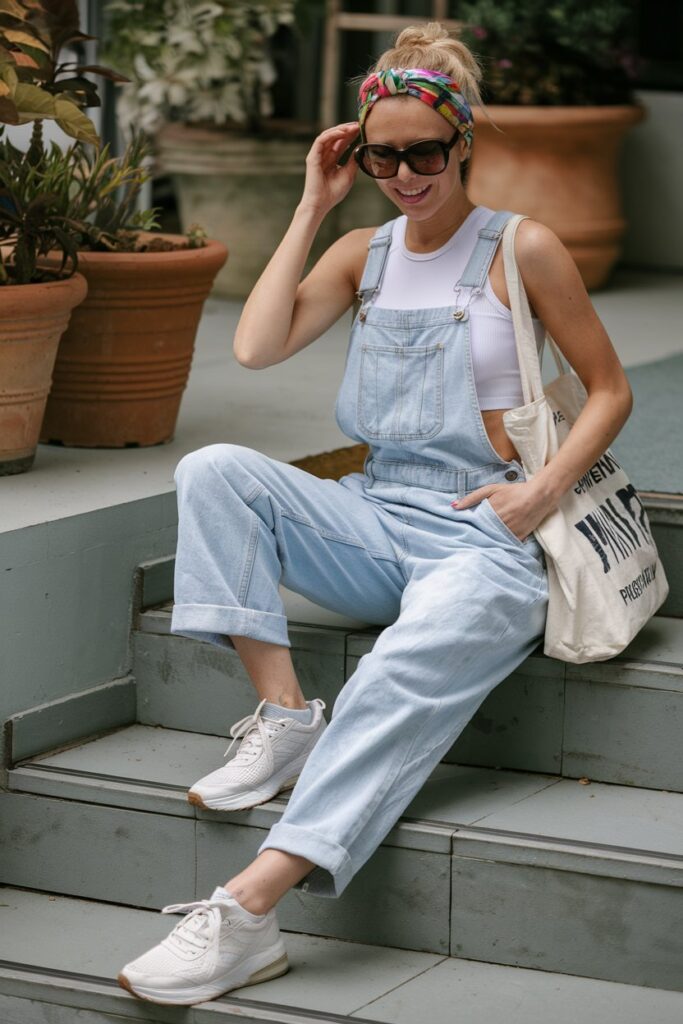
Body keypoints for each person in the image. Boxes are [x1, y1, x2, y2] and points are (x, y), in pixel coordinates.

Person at [117, 22, 633, 1006]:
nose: (403, 174)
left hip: (487, 536)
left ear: (463, 145)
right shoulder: (365, 251)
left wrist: (537, 490)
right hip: (374, 514)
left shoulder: (520, 247)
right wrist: (313, 203)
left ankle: (248, 909)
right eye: (380, 155)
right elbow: (258, 346)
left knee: (400, 663)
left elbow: (608, 390)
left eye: (423, 154)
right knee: (215, 468)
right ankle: (282, 714)